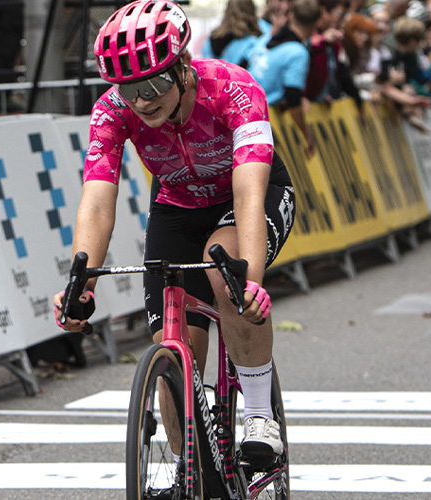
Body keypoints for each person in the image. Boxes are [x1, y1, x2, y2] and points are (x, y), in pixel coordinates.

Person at [54, 0, 296, 468]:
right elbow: (98, 201)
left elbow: (248, 194)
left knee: (224, 267)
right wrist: (80, 285)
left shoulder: (231, 88)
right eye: (128, 90)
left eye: (154, 83)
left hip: (247, 197)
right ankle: (190, 469)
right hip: (178, 206)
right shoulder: (111, 112)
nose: (142, 100)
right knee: (174, 346)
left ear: (183, 66)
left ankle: (260, 418)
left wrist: (251, 281)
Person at [248, 0, 322, 154]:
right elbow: (292, 97)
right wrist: (306, 134)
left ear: (291, 16)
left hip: (240, 109)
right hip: (257, 120)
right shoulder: (298, 53)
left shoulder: (266, 40)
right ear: (316, 23)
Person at [202, 0, 263, 68]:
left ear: (227, 11)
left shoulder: (213, 37)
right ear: (252, 11)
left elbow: (204, 63)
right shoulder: (255, 41)